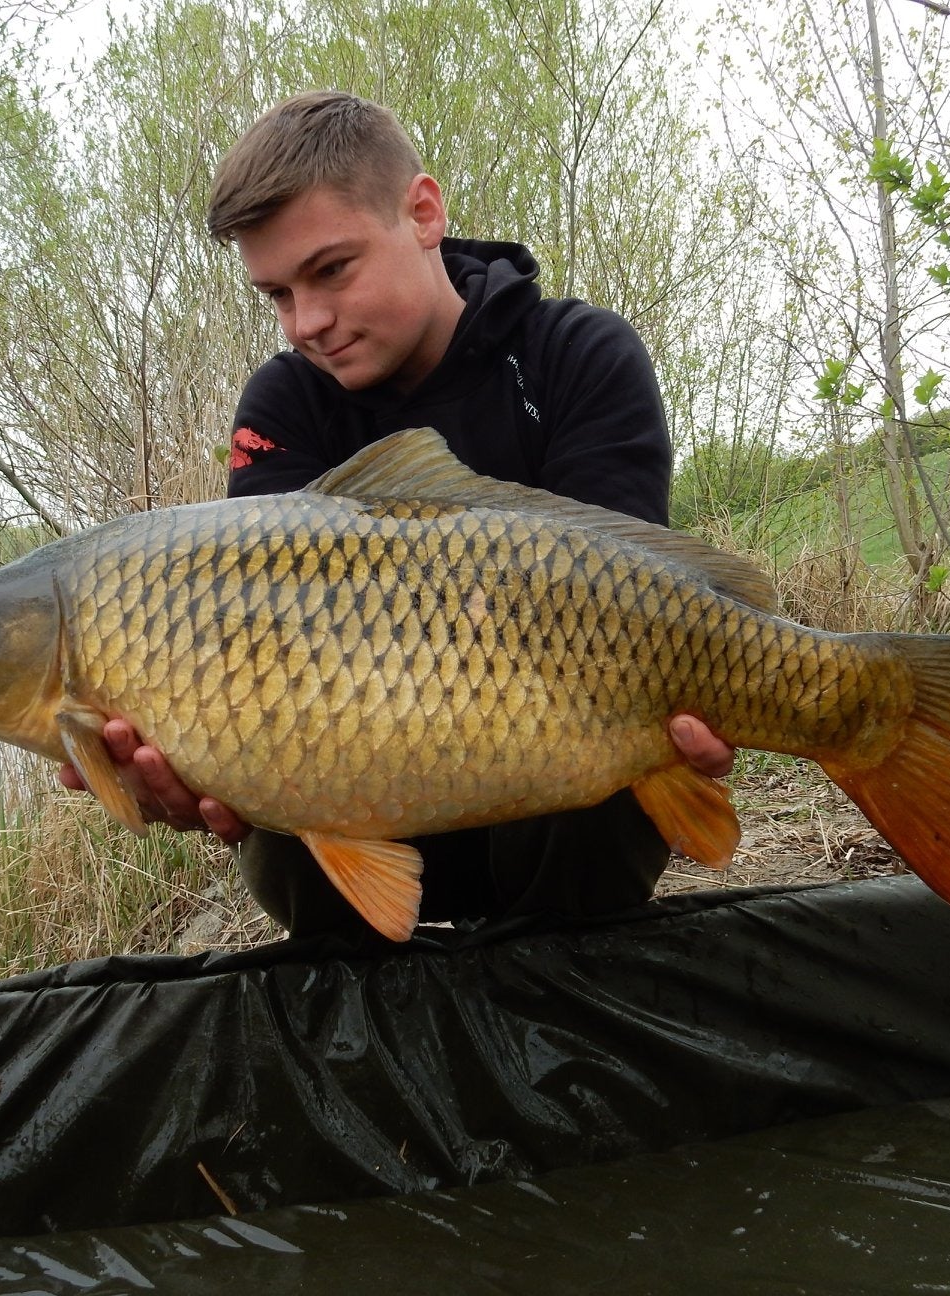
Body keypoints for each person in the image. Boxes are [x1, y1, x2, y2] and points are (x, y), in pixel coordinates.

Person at [63, 90, 736, 940]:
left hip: (556, 798)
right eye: (277, 295)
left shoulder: (577, 356)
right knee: (269, 780)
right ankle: (373, 990)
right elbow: (267, 651)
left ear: (423, 213)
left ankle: (555, 975)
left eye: (331, 271)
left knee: (613, 743)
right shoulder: (284, 405)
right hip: (361, 795)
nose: (308, 323)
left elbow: (629, 606)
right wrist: (202, 756)